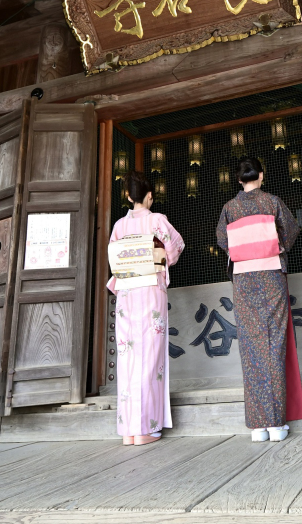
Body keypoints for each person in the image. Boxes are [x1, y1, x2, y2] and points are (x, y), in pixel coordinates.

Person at [216, 157, 302, 442]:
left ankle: (258, 426)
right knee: (274, 343)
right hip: (270, 276)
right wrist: (275, 246)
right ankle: (277, 424)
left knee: (252, 347)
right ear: (262, 175)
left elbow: (222, 239)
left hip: (244, 280)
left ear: (238, 180)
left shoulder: (230, 208)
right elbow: (290, 231)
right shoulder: (272, 202)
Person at [107, 170, 185, 446]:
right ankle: (147, 427)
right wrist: (161, 253)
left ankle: (129, 430)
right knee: (150, 359)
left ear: (128, 197)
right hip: (150, 290)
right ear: (150, 196)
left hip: (128, 294)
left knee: (129, 359)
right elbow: (176, 248)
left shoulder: (119, 226)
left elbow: (114, 259)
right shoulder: (157, 220)